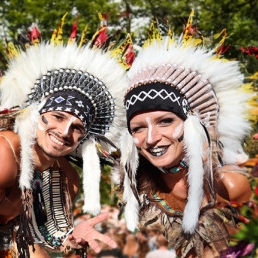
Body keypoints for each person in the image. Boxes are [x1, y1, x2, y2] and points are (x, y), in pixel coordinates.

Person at [118, 13, 253, 258]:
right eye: (138, 128)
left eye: (165, 122)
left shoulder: (229, 186)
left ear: (194, 124)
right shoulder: (133, 192)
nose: (151, 139)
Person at [0, 17, 128, 258]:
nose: (64, 131)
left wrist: (72, 238)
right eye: (57, 116)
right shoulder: (6, 152)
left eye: (78, 127)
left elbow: (44, 236)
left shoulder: (66, 177)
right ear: (35, 115)